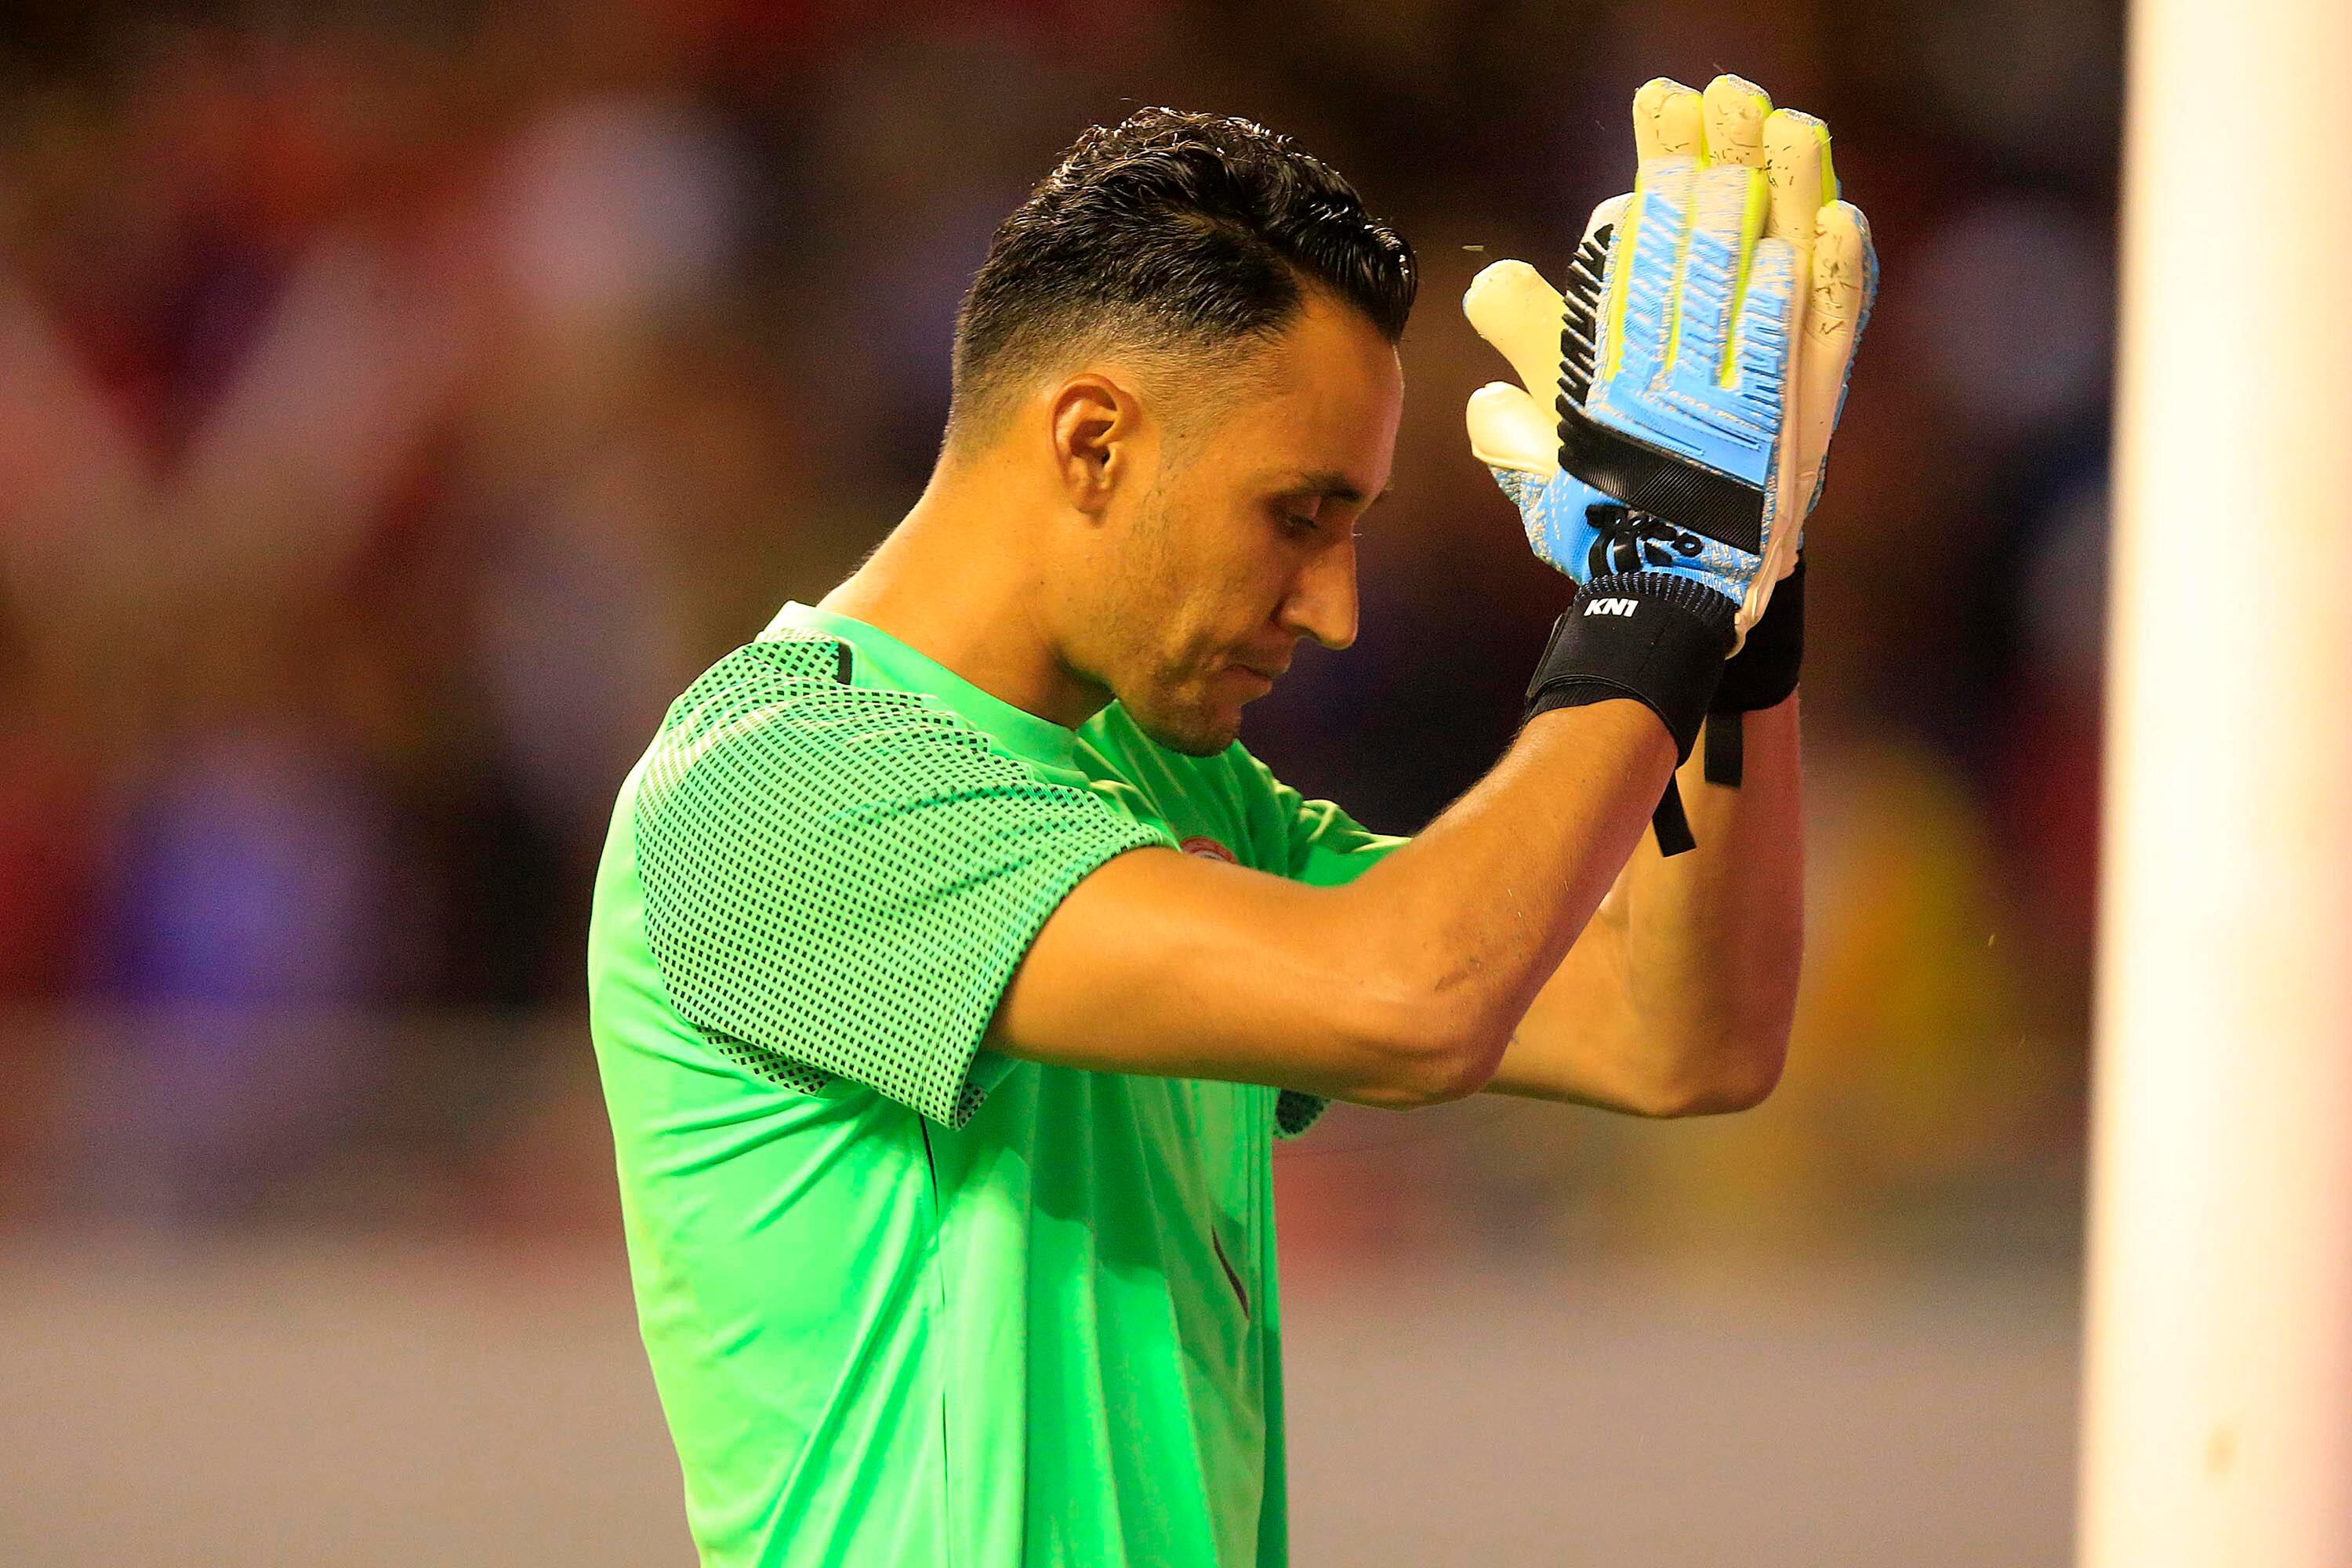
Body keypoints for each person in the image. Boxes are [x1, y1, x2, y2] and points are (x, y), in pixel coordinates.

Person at [587, 79, 1871, 1568]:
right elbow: (1414, 997)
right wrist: (1652, 600)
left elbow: (1680, 1032)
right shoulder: (782, 781)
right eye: (1297, 517)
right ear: (1093, 442)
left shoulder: (1173, 788)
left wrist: (1738, 624)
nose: (1334, 610)